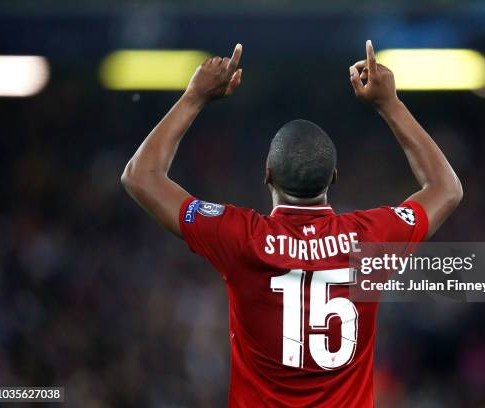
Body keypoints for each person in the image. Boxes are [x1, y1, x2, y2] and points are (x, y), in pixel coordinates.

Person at [121, 40, 462, 407]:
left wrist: (194, 97)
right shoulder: (372, 238)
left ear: (267, 175)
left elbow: (141, 176)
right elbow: (446, 188)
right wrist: (389, 104)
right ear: (334, 177)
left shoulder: (240, 237)